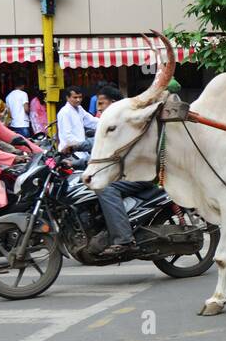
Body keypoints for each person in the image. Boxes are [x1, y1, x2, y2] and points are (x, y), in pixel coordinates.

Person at [89, 85, 154, 260]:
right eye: (98, 104)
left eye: (102, 103)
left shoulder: (125, 123)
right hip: (128, 171)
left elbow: (112, 147)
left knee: (105, 188)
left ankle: (124, 240)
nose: (99, 108)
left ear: (114, 104)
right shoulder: (114, 123)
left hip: (141, 172)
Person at [56, 86, 98, 153]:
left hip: (81, 149)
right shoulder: (64, 112)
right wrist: (79, 146)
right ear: (68, 98)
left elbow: (91, 121)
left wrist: (105, 123)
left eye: (80, 97)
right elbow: (67, 136)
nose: (78, 100)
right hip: (70, 151)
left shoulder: (79, 108)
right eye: (75, 97)